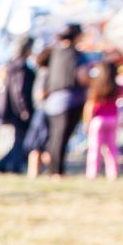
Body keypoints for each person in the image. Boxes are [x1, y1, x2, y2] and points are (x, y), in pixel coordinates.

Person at [40, 24, 86, 178]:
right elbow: (82, 75)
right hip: (70, 99)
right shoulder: (76, 54)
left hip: (53, 100)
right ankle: (57, 171)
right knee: (61, 137)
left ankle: (53, 169)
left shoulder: (53, 53)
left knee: (55, 136)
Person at [0, 37, 35, 174]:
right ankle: (10, 164)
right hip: (18, 109)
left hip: (10, 108)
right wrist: (24, 109)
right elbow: (20, 91)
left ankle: (7, 164)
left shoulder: (10, 66)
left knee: (19, 139)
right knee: (22, 139)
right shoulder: (21, 68)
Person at [83, 59, 122, 180]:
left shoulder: (95, 88)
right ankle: (113, 173)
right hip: (112, 119)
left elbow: (89, 106)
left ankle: (92, 173)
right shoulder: (117, 88)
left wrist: (87, 123)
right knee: (111, 148)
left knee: (95, 149)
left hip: (98, 121)